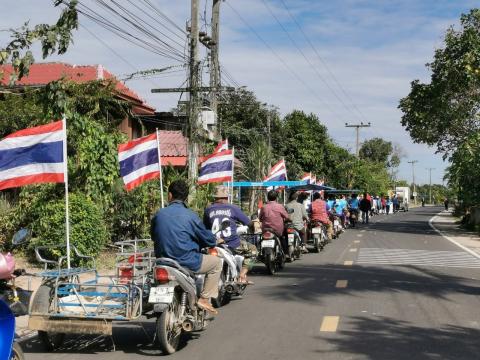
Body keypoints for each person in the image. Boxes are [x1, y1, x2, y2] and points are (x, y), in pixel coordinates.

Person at [151, 180, 221, 315]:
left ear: (170, 195)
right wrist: (212, 240)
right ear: (186, 197)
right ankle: (205, 299)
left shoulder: (159, 214)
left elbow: (154, 236)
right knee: (217, 263)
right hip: (187, 261)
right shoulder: (191, 216)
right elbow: (209, 240)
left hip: (163, 261)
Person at [203, 186, 255, 284]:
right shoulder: (233, 208)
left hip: (214, 244)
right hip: (232, 244)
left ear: (215, 198)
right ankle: (242, 275)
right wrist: (252, 229)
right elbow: (249, 223)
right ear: (226, 197)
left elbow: (205, 228)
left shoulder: (208, 210)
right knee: (253, 250)